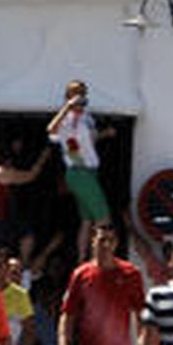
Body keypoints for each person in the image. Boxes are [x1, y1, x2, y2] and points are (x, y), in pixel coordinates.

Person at [48, 78, 115, 262]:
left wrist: (105, 134)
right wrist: (66, 108)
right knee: (103, 218)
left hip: (90, 171)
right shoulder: (65, 119)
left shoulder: (87, 117)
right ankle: (102, 259)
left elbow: (89, 140)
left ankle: (81, 258)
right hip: (79, 171)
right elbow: (51, 131)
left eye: (83, 94)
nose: (80, 98)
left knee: (86, 220)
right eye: (75, 94)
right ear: (68, 96)